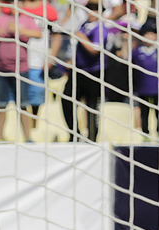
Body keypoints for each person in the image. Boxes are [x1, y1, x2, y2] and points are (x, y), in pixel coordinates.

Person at [0, 0, 41, 142]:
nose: (14, 5)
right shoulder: (1, 18)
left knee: (23, 104)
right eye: (12, 2)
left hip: (21, 70)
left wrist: (19, 30)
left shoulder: (26, 19)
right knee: (0, 105)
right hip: (1, 69)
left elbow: (38, 34)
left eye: (17, 2)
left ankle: (28, 137)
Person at [60, 2, 107, 142]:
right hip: (78, 71)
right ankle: (74, 134)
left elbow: (95, 50)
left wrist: (82, 37)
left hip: (94, 73)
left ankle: (93, 138)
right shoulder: (84, 25)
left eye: (95, 9)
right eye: (90, 9)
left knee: (92, 106)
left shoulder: (100, 28)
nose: (92, 12)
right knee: (67, 100)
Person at [133, 22, 159, 136]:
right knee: (144, 113)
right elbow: (125, 57)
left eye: (152, 34)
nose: (149, 37)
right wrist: (125, 42)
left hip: (157, 88)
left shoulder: (158, 50)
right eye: (146, 34)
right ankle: (145, 134)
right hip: (143, 88)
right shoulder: (138, 51)